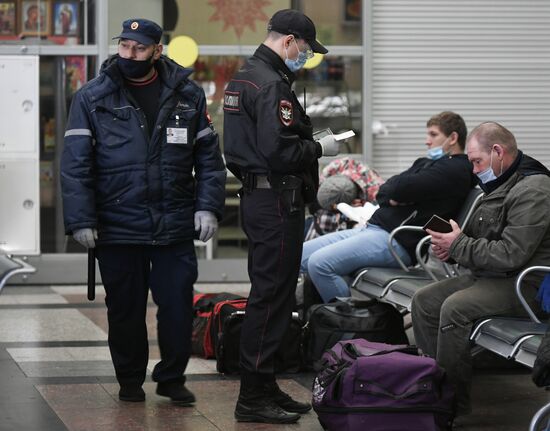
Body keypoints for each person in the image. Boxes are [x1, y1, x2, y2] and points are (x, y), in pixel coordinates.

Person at [60, 18, 226, 404]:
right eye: (124, 47)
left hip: (173, 223)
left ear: (157, 50)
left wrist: (208, 207)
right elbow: (75, 164)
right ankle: (130, 380)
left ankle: (171, 377)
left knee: (177, 308)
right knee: (125, 311)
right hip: (117, 224)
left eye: (138, 48)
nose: (130, 55)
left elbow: (208, 158)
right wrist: (81, 219)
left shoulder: (187, 95)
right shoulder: (92, 97)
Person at [223, 9, 339, 424]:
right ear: (289, 41)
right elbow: (280, 151)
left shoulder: (244, 76)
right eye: (306, 49)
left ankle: (264, 383)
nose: (306, 56)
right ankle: (253, 396)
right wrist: (321, 148)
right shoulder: (272, 85)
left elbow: (241, 149)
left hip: (260, 197)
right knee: (271, 299)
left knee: (268, 294)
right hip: (276, 203)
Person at [411, 122, 550, 417]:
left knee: (454, 308)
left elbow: (511, 254)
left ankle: (451, 406)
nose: (474, 170)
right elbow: (474, 239)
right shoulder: (499, 182)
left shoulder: (535, 189)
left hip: (526, 284)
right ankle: (434, 383)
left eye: (477, 162)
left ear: (498, 152)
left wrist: (458, 244)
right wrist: (449, 249)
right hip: (493, 276)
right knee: (424, 302)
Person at [301, 111, 477, 302]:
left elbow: (401, 188)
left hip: (396, 240)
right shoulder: (427, 163)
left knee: (320, 265)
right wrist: (395, 195)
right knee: (299, 256)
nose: (427, 141)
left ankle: (348, 328)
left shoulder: (456, 169)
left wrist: (398, 194)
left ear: (453, 138)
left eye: (433, 135)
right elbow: (385, 190)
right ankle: (316, 320)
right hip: (373, 228)